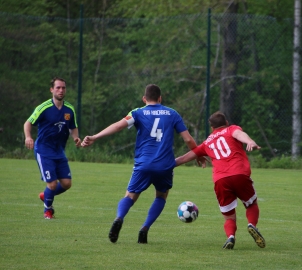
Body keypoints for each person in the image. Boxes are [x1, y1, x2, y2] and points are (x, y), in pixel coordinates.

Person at [81, 84, 205, 244]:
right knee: (161, 196)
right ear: (160, 98)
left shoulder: (138, 112)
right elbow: (188, 139)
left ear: (144, 99)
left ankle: (119, 218)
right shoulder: (172, 113)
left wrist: (95, 137)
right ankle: (145, 228)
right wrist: (197, 153)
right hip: (165, 165)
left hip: (143, 164)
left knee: (130, 196)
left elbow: (118, 126)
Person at [175, 111, 265, 250]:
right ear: (227, 123)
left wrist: (165, 165)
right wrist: (250, 141)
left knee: (229, 216)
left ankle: (230, 237)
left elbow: (185, 157)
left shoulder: (207, 142)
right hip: (239, 174)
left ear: (211, 128)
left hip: (220, 180)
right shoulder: (231, 129)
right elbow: (239, 134)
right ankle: (251, 224)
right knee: (251, 204)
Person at [24, 77, 81, 219]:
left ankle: (46, 195)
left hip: (59, 151)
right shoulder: (43, 108)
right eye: (58, 88)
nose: (61, 90)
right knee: (53, 184)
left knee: (67, 184)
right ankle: (47, 211)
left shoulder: (69, 109)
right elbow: (28, 123)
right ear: (52, 90)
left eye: (63, 88)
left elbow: (73, 127)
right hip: (44, 150)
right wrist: (28, 137)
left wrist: (76, 138)